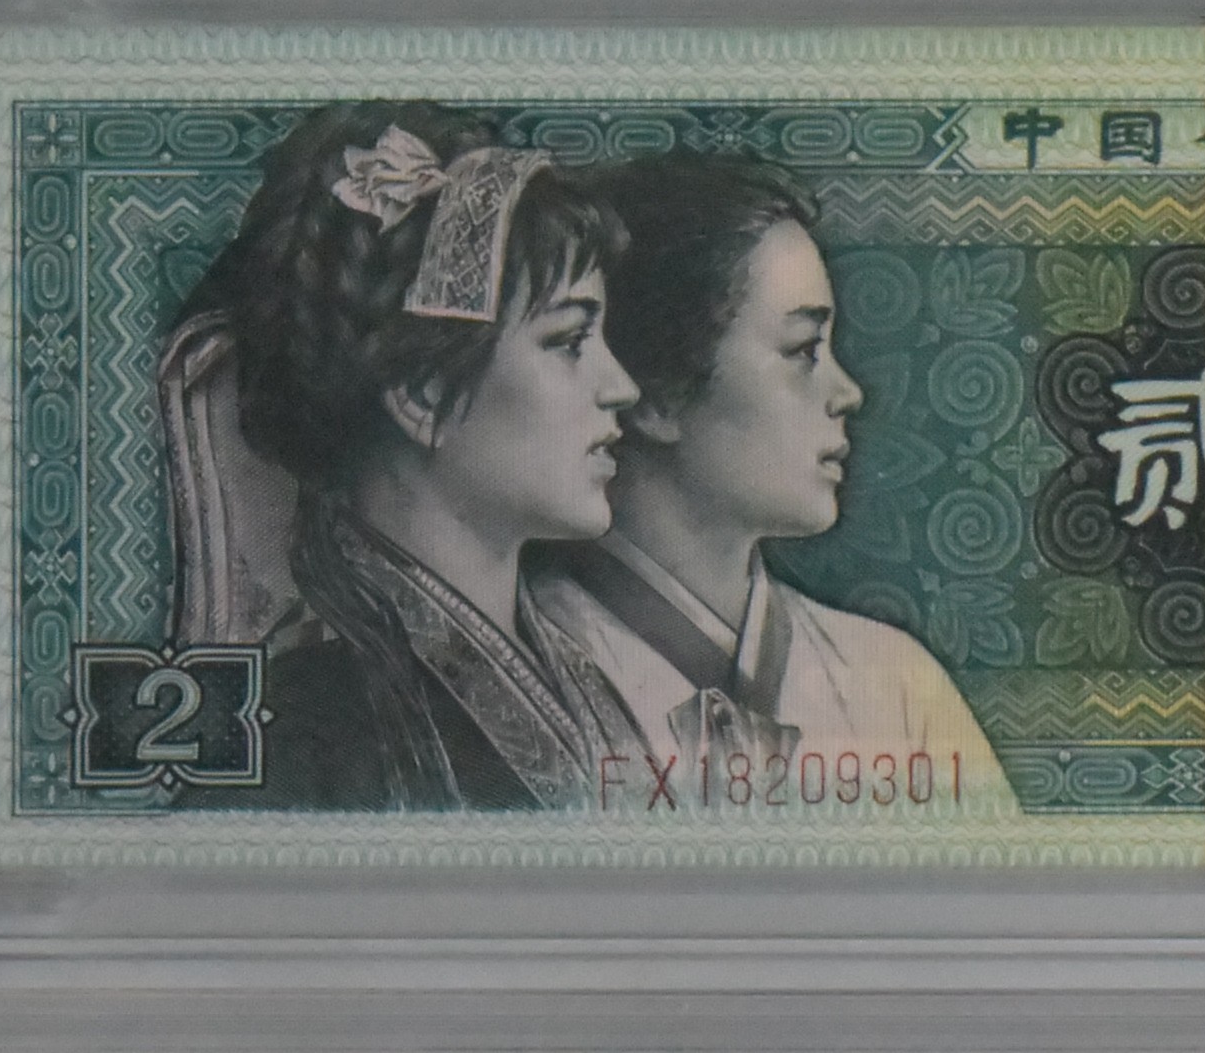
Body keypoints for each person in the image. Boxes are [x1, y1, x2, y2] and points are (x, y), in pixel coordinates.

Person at [173, 101, 647, 811]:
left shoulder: (582, 679)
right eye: (568, 341)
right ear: (424, 394)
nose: (622, 387)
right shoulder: (300, 737)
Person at [529, 151, 1009, 805]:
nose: (847, 393)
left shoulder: (896, 687)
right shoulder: (522, 676)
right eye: (802, 351)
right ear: (655, 396)